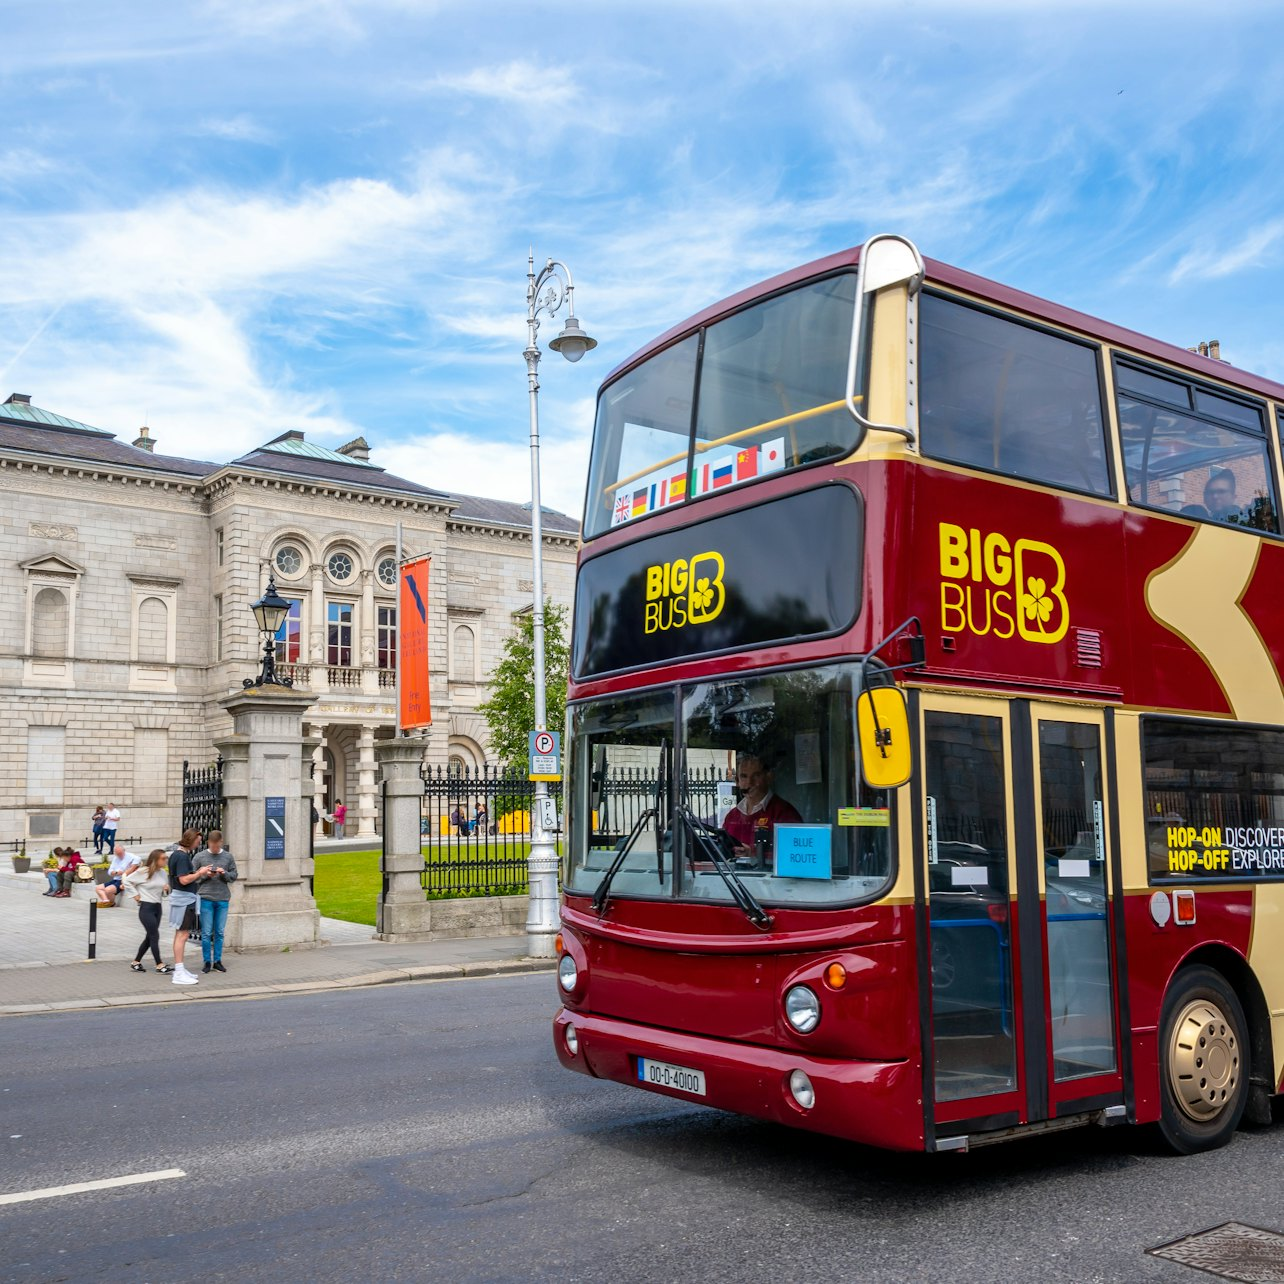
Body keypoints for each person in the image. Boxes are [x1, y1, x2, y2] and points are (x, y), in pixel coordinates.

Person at [721, 753, 802, 864]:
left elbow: (795, 855)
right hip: (732, 879)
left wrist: (753, 854)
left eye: (756, 776)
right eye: (744, 776)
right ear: (737, 781)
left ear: (768, 777)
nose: (749, 783)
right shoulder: (731, 816)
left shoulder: (785, 813)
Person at [167, 829, 214, 986]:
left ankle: (180, 969)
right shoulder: (181, 856)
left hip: (182, 900)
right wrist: (200, 872)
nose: (198, 843)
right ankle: (179, 972)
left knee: (180, 935)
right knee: (183, 935)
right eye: (197, 841)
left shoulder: (177, 855)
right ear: (191, 839)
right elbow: (184, 880)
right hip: (184, 901)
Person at [194, 829, 238, 974]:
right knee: (206, 932)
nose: (214, 848)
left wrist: (223, 873)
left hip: (223, 898)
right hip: (206, 897)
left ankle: (217, 961)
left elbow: (233, 876)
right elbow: (192, 878)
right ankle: (207, 961)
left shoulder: (228, 857)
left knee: (219, 932)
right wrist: (206, 875)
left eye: (216, 845)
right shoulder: (200, 857)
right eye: (212, 845)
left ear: (220, 842)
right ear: (208, 843)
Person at [125, 849, 171, 973]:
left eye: (166, 858)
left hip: (158, 907)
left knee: (149, 937)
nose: (166, 860)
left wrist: (166, 890)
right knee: (154, 935)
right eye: (163, 858)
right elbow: (126, 880)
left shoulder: (163, 873)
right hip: (146, 908)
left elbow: (164, 894)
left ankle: (136, 962)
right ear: (155, 859)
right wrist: (135, 895)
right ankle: (159, 964)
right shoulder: (143, 871)